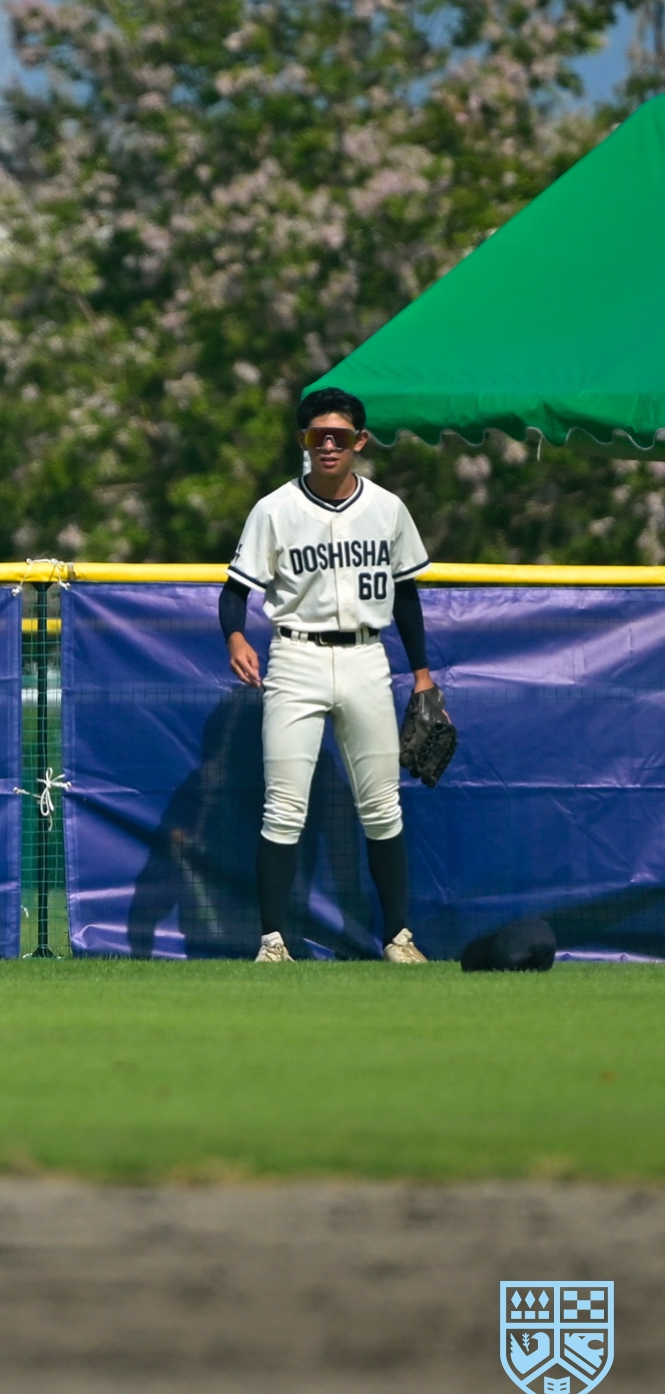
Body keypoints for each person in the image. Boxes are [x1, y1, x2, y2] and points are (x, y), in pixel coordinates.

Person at [222, 387, 434, 963]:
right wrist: (236, 636)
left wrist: (421, 673)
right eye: (319, 436)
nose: (330, 445)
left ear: (360, 441)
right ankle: (272, 942)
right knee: (284, 807)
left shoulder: (387, 508)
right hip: (296, 657)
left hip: (367, 656)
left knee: (382, 806)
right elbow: (234, 592)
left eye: (340, 435)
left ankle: (398, 938)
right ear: (304, 441)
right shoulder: (274, 509)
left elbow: (406, 595)